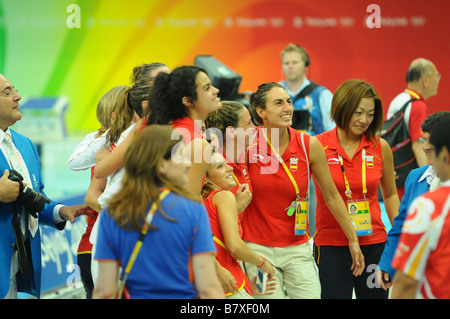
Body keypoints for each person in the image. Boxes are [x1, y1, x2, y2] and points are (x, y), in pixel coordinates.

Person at [242, 82, 364, 299]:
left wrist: (352, 238)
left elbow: (332, 195)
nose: (287, 107)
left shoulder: (309, 145)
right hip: (257, 249)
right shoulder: (247, 143)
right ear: (261, 112)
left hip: (297, 247)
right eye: (278, 103)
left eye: (288, 101)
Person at [93, 125, 223, 299]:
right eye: (180, 156)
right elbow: (208, 287)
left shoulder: (112, 213)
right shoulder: (192, 209)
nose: (188, 163)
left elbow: (104, 291)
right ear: (161, 164)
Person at [0, 74, 89, 299]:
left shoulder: (24, 144)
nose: (17, 97)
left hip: (20, 260)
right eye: (7, 92)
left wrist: (60, 211)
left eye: (14, 89)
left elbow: (34, 194)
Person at [313, 79, 399, 299]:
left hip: (374, 244)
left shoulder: (381, 147)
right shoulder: (317, 146)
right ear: (343, 107)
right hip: (332, 244)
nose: (364, 120)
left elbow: (389, 194)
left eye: (370, 114)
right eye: (358, 112)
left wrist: (399, 237)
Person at [95, 65, 222, 198]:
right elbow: (187, 206)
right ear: (188, 101)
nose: (216, 90)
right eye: (207, 88)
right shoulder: (198, 144)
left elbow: (101, 171)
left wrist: (103, 159)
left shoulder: (146, 123)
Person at [376, 112, 449, 290]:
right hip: (417, 275)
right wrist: (386, 264)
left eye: (431, 141)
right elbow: (401, 225)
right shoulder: (415, 177)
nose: (425, 147)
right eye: (423, 140)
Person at [68, 85, 128, 299]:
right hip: (97, 246)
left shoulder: (117, 147)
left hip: (107, 244)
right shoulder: (107, 151)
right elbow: (92, 196)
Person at [278, 43, 335, 235]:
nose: (290, 66)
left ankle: (311, 246)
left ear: (305, 65)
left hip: (312, 162)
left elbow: (332, 132)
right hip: (279, 162)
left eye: (295, 62)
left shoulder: (322, 94)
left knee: (313, 210)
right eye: (286, 63)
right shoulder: (274, 92)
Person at [202, 152, 276, 298]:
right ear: (206, 178)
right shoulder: (224, 196)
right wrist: (263, 263)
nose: (229, 168)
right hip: (228, 285)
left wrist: (248, 288)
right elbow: (234, 246)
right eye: (220, 166)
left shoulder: (204, 200)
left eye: (226, 163)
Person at [386, 58, 441, 199]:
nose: (439, 80)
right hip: (409, 179)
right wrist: (428, 180)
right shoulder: (417, 105)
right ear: (425, 80)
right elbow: (419, 145)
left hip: (395, 171)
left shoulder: (398, 99)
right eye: (437, 75)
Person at [204, 101, 255, 214]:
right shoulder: (213, 166)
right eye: (249, 123)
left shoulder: (245, 156)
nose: (254, 128)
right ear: (232, 132)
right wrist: (237, 208)